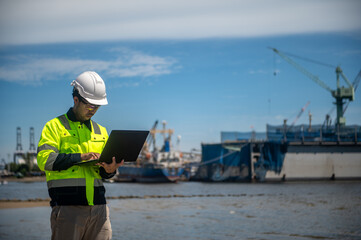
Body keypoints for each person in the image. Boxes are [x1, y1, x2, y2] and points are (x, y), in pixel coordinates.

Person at [37, 71, 123, 240]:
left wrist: (110, 170)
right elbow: (44, 160)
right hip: (68, 210)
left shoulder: (101, 131)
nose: (93, 110)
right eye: (90, 105)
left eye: (97, 106)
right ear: (76, 99)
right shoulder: (54, 127)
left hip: (99, 210)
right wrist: (79, 157)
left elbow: (103, 174)